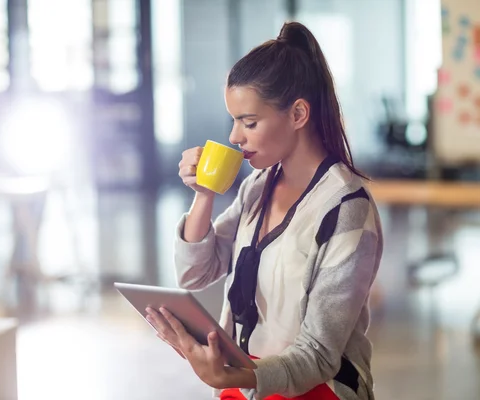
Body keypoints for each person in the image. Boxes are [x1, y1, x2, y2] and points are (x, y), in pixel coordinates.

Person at [145, 21, 383, 400]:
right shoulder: (258, 186)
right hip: (247, 379)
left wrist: (234, 376)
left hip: (313, 388)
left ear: (298, 115)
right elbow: (194, 273)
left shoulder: (346, 209)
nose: (234, 137)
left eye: (249, 122)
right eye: (234, 121)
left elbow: (319, 356)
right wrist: (204, 195)